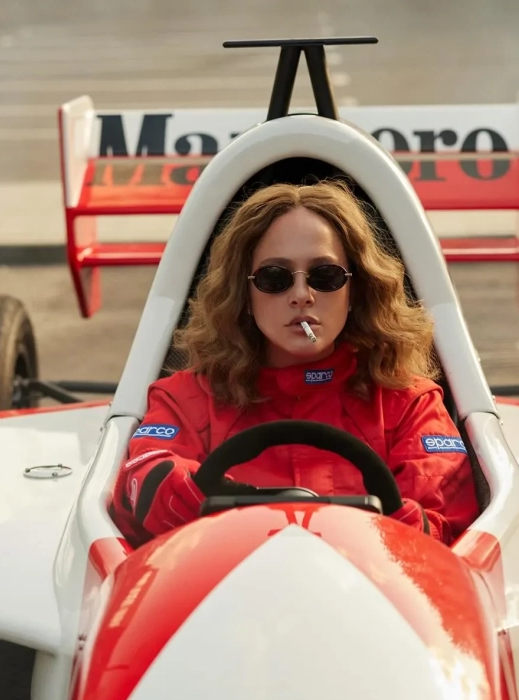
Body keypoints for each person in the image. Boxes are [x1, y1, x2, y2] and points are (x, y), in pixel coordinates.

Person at [111, 179, 480, 545]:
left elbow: (441, 530)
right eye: (275, 278)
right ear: (244, 293)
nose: (302, 295)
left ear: (356, 291)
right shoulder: (185, 399)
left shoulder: (410, 404)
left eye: (325, 276)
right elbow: (141, 483)